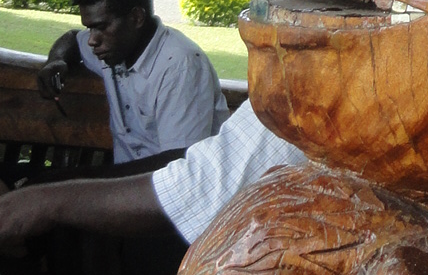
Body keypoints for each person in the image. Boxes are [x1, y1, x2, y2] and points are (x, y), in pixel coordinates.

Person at [0, 97, 306, 251]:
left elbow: (191, 187)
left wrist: (46, 200)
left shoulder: (308, 88)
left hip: (206, 236)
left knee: (93, 237)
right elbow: (75, 40)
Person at [38, 0, 228, 166]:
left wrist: (94, 181)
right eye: (90, 28)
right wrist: (56, 61)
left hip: (169, 189)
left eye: (101, 27)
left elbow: (179, 165)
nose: (92, 40)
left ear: (136, 17)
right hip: (126, 185)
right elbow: (73, 39)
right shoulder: (115, 47)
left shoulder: (181, 66)